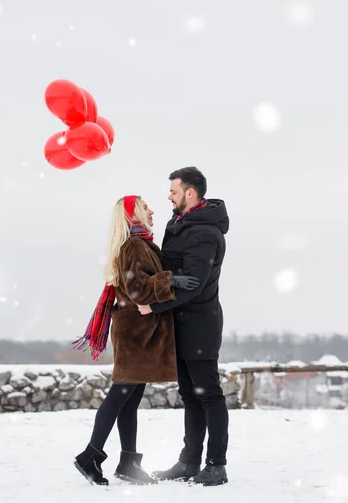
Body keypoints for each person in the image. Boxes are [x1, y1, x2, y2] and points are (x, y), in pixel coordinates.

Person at [72, 195, 199, 486]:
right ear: (133, 216)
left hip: (139, 332)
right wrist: (172, 281)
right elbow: (138, 288)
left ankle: (128, 462)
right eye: (145, 208)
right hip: (135, 334)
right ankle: (90, 455)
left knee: (129, 400)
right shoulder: (134, 246)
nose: (152, 211)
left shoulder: (139, 244)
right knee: (120, 395)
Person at [137, 167, 229, 487]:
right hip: (180, 324)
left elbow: (195, 285)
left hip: (200, 324)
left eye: (173, 191)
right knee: (190, 394)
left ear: (190, 193)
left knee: (209, 395)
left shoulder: (205, 232)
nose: (169, 196)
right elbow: (172, 272)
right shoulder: (178, 224)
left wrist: (153, 306)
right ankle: (189, 461)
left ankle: (216, 464)